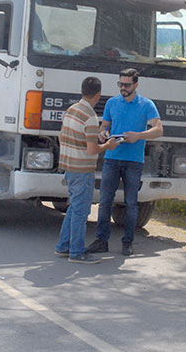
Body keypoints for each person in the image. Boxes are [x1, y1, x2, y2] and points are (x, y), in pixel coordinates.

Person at [85, 68, 163, 256]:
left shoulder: (146, 105)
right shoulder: (112, 103)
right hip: (112, 158)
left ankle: (127, 242)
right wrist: (103, 134)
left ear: (136, 85)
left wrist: (138, 135)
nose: (123, 88)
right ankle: (101, 241)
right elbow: (104, 125)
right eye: (120, 84)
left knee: (130, 203)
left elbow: (158, 130)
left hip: (133, 161)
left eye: (127, 85)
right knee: (104, 201)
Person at [55, 76, 120, 264]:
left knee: (74, 208)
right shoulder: (90, 116)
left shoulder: (71, 110)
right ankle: (76, 252)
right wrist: (108, 145)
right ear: (98, 94)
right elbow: (92, 150)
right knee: (81, 211)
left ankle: (63, 246)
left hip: (69, 166)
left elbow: (62, 136)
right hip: (83, 168)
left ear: (82, 90)